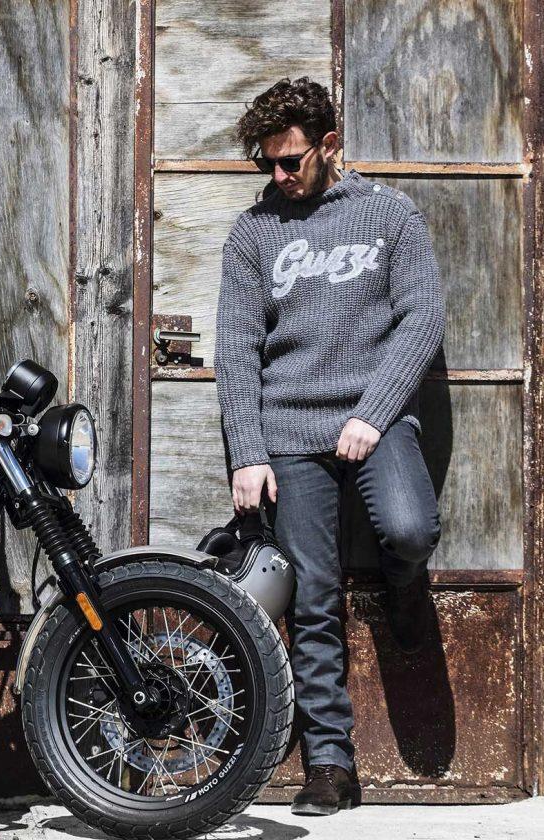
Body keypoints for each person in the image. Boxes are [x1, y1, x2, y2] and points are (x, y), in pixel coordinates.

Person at [213, 77, 446, 817]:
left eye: (291, 161)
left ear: (329, 145)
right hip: (289, 433)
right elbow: (237, 348)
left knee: (410, 529)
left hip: (374, 423)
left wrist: (373, 414)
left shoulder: (390, 214)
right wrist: (248, 452)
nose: (279, 176)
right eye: (268, 164)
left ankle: (404, 586)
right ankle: (330, 766)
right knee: (312, 597)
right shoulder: (254, 232)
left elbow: (422, 320)